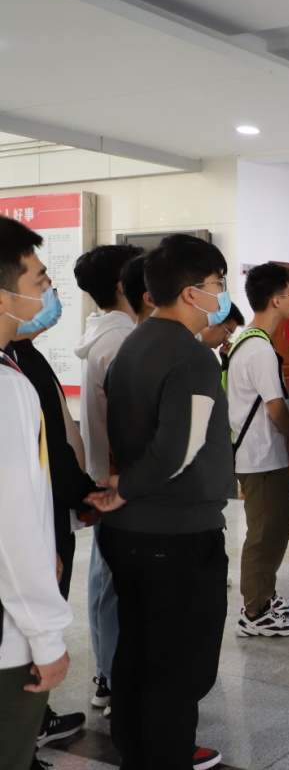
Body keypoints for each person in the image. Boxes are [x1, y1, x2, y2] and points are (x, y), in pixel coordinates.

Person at [87, 233, 233, 770]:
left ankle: (137, 754)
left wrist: (124, 492)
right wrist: (122, 488)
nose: (222, 292)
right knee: (179, 669)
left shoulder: (136, 341)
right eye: (218, 283)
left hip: (132, 533)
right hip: (176, 535)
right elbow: (177, 450)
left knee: (137, 656)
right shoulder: (191, 356)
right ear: (192, 292)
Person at [0, 216, 74, 770]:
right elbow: (12, 527)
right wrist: (47, 639)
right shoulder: (7, 389)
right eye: (39, 280)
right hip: (8, 637)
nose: (48, 291)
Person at [72, 242, 143, 718]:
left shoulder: (102, 331)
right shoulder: (122, 340)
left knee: (106, 581)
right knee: (118, 586)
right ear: (123, 285)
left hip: (105, 474)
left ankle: (107, 675)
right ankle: (117, 679)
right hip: (121, 481)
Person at [227, 263, 289, 638]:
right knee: (264, 534)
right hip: (258, 457)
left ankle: (265, 595)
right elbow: (275, 408)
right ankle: (254, 612)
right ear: (276, 300)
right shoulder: (258, 348)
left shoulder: (252, 341)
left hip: (263, 454)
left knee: (278, 525)